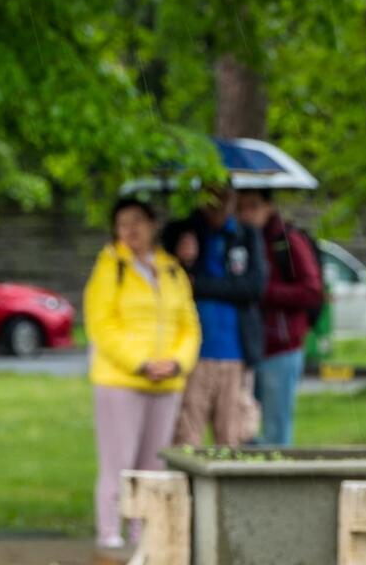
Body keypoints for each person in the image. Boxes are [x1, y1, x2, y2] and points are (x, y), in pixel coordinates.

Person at [83, 197, 201, 551]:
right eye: (123, 224)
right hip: (121, 381)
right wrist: (140, 362)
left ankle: (144, 535)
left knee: (152, 464)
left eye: (137, 221)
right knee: (118, 461)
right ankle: (110, 535)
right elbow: (102, 324)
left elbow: (189, 325)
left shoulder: (171, 269)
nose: (131, 230)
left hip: (166, 382)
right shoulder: (110, 266)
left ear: (152, 224)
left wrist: (177, 362)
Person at [166, 185, 267, 446]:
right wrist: (185, 261)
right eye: (210, 196)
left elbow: (254, 287)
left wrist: (200, 284)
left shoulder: (246, 234)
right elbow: (171, 285)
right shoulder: (182, 233)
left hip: (236, 352)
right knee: (187, 435)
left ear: (233, 198)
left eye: (223, 196)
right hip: (194, 354)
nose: (217, 203)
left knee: (234, 436)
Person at [237, 188, 323, 445]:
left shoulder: (286, 240)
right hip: (246, 347)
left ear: (269, 207)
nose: (246, 214)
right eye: (240, 208)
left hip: (280, 347)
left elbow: (312, 290)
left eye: (253, 206)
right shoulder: (237, 241)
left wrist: (264, 291)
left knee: (275, 430)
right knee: (243, 429)